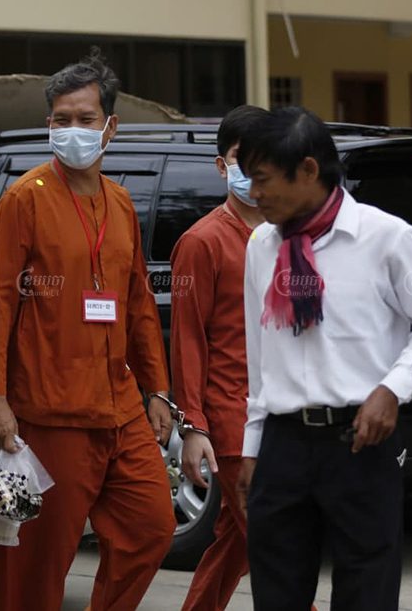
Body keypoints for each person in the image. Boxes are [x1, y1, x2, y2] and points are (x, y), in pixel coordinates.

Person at [0, 48, 175, 611]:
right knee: (36, 566)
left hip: (121, 407)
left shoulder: (119, 200)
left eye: (85, 120)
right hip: (49, 410)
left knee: (151, 528)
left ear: (110, 126)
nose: (72, 131)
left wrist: (157, 388)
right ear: (48, 125)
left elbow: (136, 301)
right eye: (60, 120)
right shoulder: (25, 199)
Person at [235, 107, 412, 610]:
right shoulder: (261, 245)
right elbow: (259, 352)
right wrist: (253, 446)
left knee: (367, 591)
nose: (254, 193)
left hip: (360, 444)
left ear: (309, 170)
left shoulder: (388, 238)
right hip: (284, 445)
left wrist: (391, 391)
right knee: (277, 592)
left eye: (264, 179)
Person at [170, 105, 266, 611]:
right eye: (240, 159)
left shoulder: (288, 234)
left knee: (238, 537)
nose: (254, 169)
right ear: (220, 166)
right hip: (231, 418)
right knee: (275, 540)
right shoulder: (202, 242)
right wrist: (194, 425)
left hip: (280, 411)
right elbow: (187, 341)